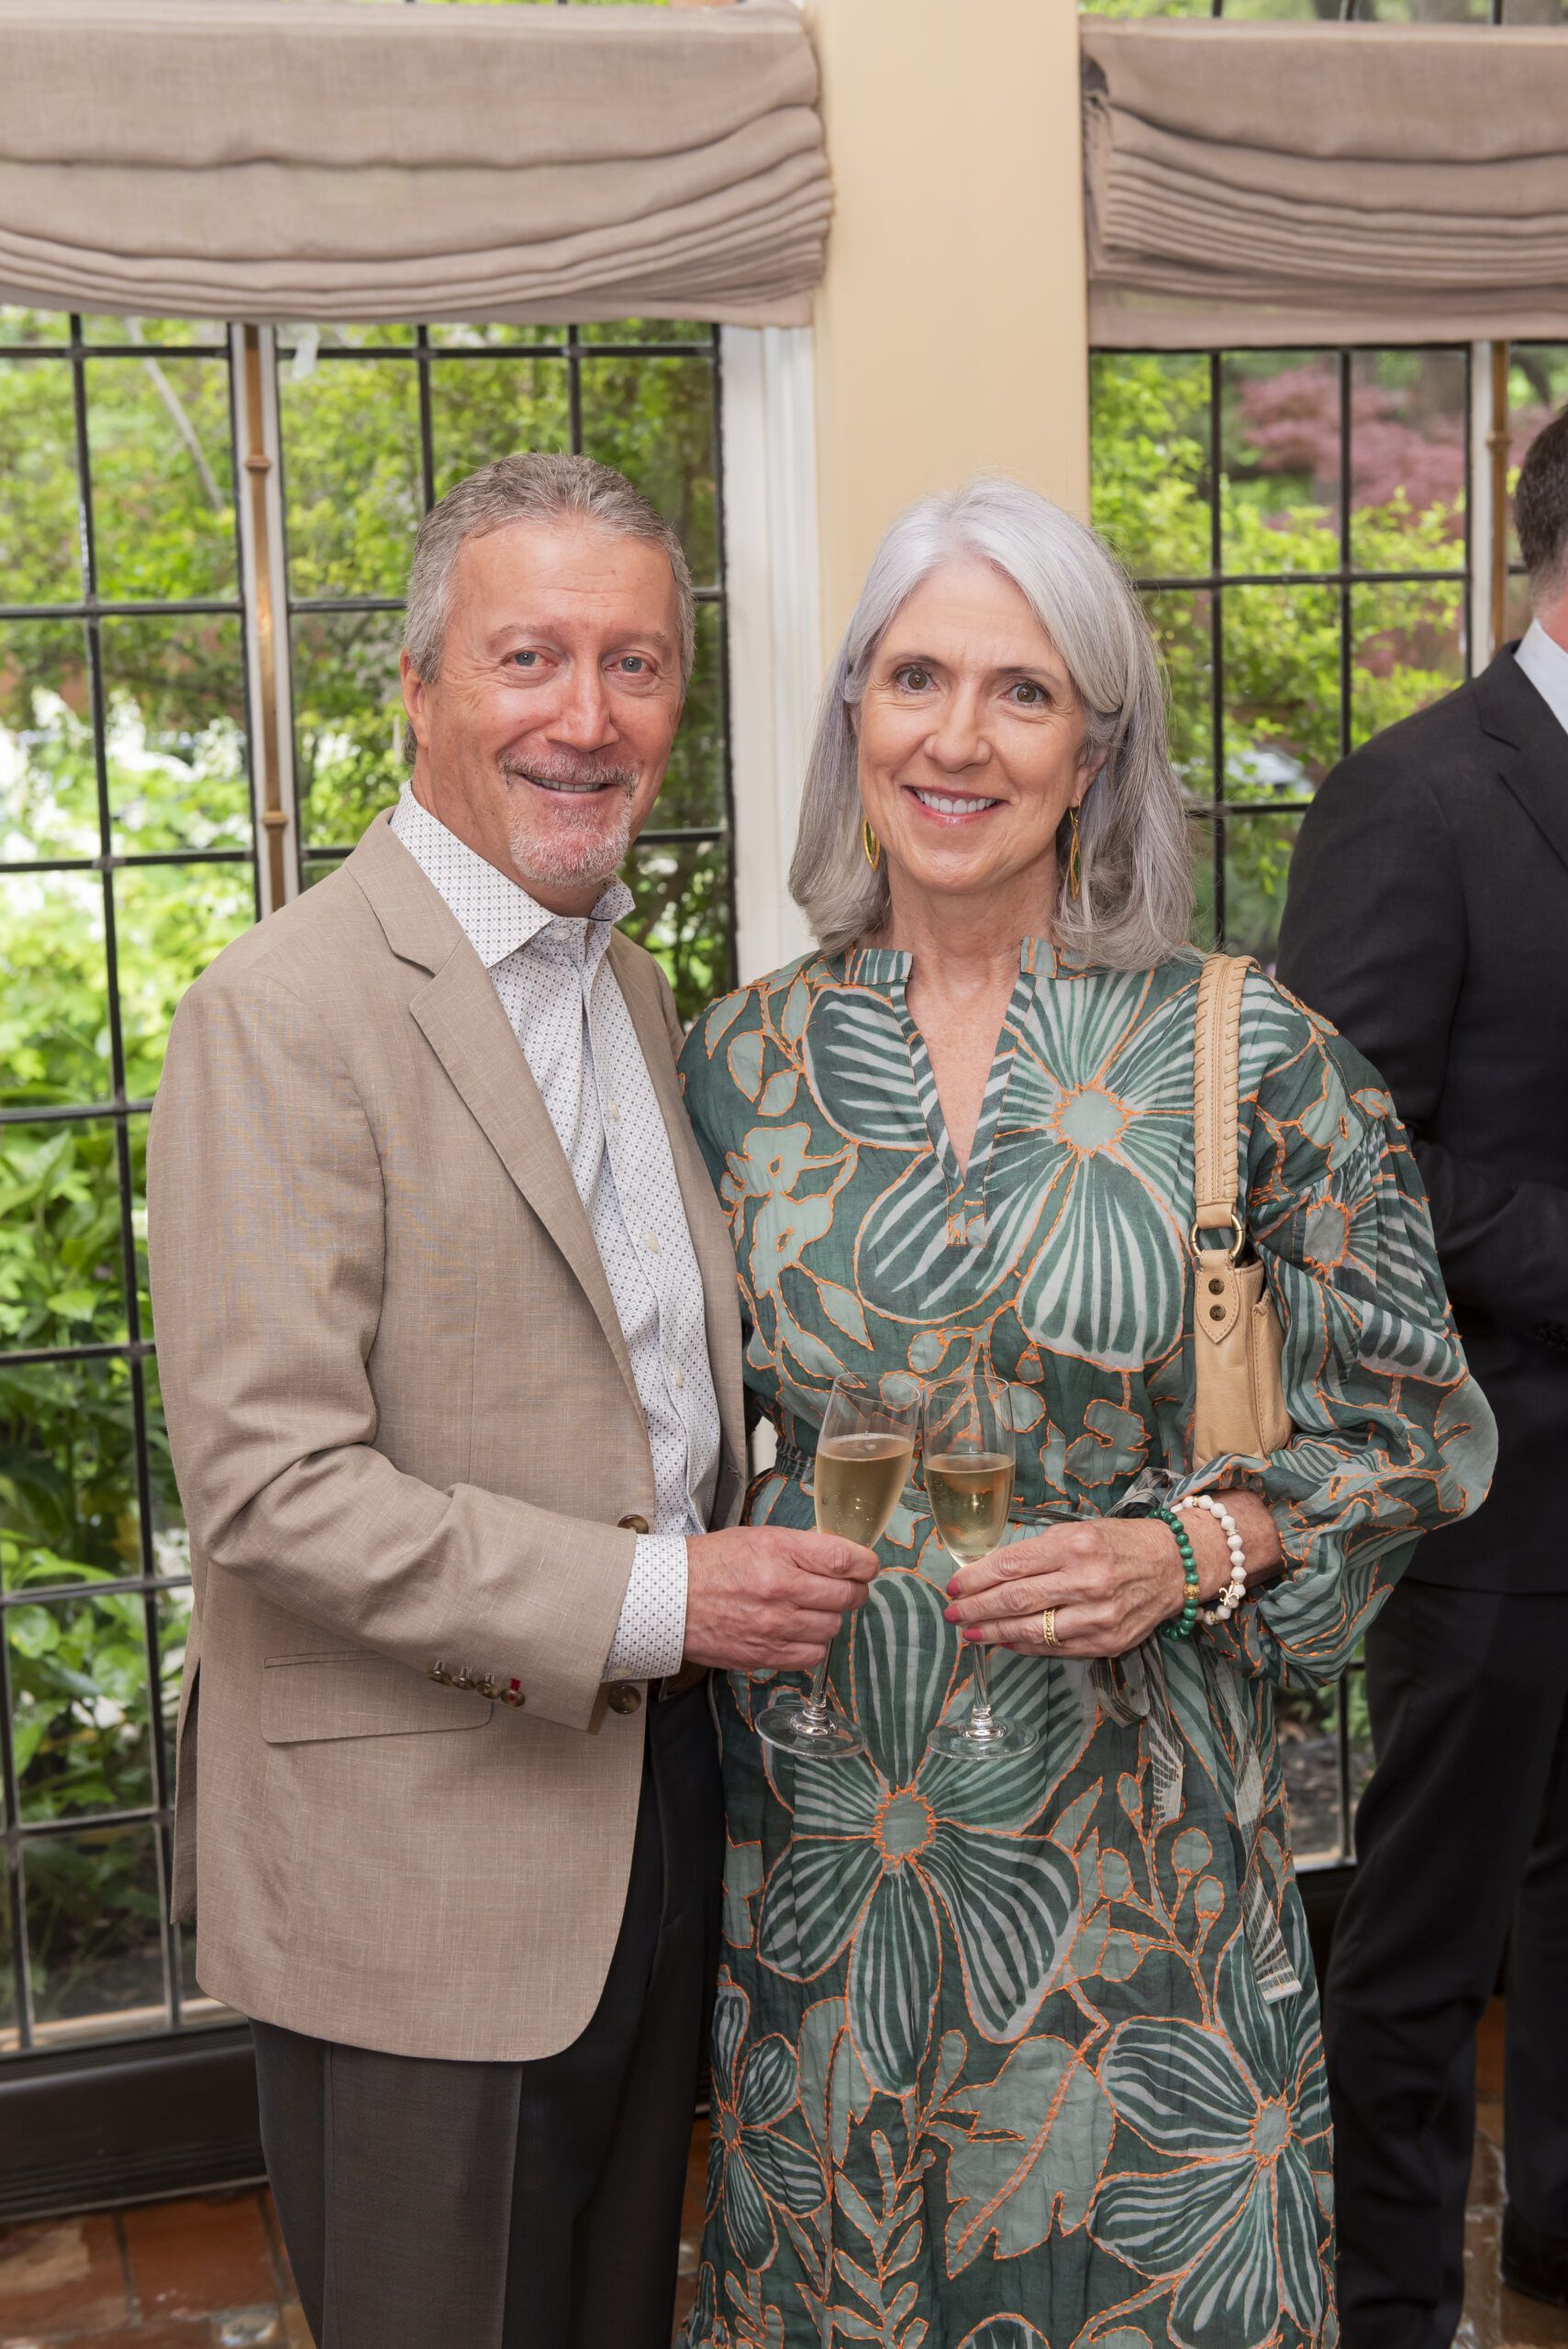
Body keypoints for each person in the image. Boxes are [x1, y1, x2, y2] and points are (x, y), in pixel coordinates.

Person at [675, 477, 1495, 2349]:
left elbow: (1419, 1423)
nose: (958, 737)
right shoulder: (733, 1063)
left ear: (1094, 748)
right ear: (854, 722)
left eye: (1022, 691)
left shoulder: (1243, 1047)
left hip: (1151, 1865)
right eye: (916, 679)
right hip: (837, 1861)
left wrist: (1188, 1542)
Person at [146, 451, 880, 2349]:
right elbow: (273, 1486)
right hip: (418, 1886)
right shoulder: (285, 1009)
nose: (587, 715)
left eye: (636, 664)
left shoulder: (629, 991)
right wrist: (670, 1596)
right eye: (529, 656)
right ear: (417, 687)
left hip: (650, 1824)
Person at [1277, 406, 1568, 2347]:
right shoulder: (1417, 795)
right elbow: (1334, 1158)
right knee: (1423, 1938)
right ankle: (1389, 2305)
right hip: (1490, 1489)